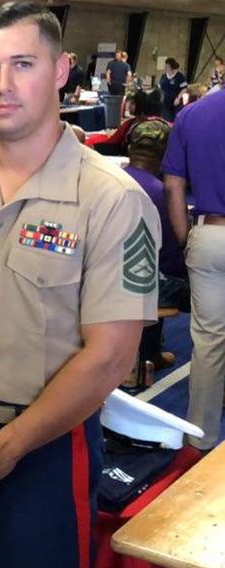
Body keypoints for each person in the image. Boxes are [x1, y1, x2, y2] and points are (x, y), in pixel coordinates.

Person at [0, 3, 160, 567]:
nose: (4, 84)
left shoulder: (111, 200)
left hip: (45, 453)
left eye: (24, 63)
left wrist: (9, 446)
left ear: (63, 69)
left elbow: (112, 355)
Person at [163, 87, 225, 451]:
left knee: (208, 341)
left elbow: (173, 187)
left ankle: (199, 439)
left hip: (209, 232)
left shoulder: (192, 114)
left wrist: (187, 237)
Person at [125, 120, 186, 371]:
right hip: (146, 281)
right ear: (165, 154)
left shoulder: (105, 181)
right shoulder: (163, 193)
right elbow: (172, 254)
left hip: (102, 275)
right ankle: (149, 353)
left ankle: (146, 349)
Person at [100, 88, 165, 155]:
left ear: (142, 105)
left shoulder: (131, 125)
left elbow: (113, 143)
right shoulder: (165, 125)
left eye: (133, 103)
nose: (129, 105)